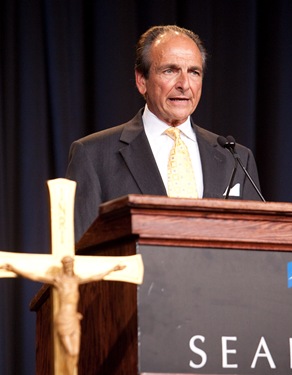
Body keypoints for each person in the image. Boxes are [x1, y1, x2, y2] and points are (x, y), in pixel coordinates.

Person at [66, 25, 262, 242]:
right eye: (170, 70)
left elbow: (258, 245)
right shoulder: (93, 155)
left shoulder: (235, 158)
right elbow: (81, 252)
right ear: (142, 80)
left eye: (194, 72)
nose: (184, 85)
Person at [0, 257, 124, 375]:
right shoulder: (58, 280)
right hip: (64, 318)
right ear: (64, 266)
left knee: (75, 352)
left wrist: (112, 269)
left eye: (71, 265)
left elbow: (95, 277)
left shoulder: (76, 279)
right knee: (69, 352)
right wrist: (14, 269)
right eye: (67, 265)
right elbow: (35, 276)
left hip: (74, 318)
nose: (69, 267)